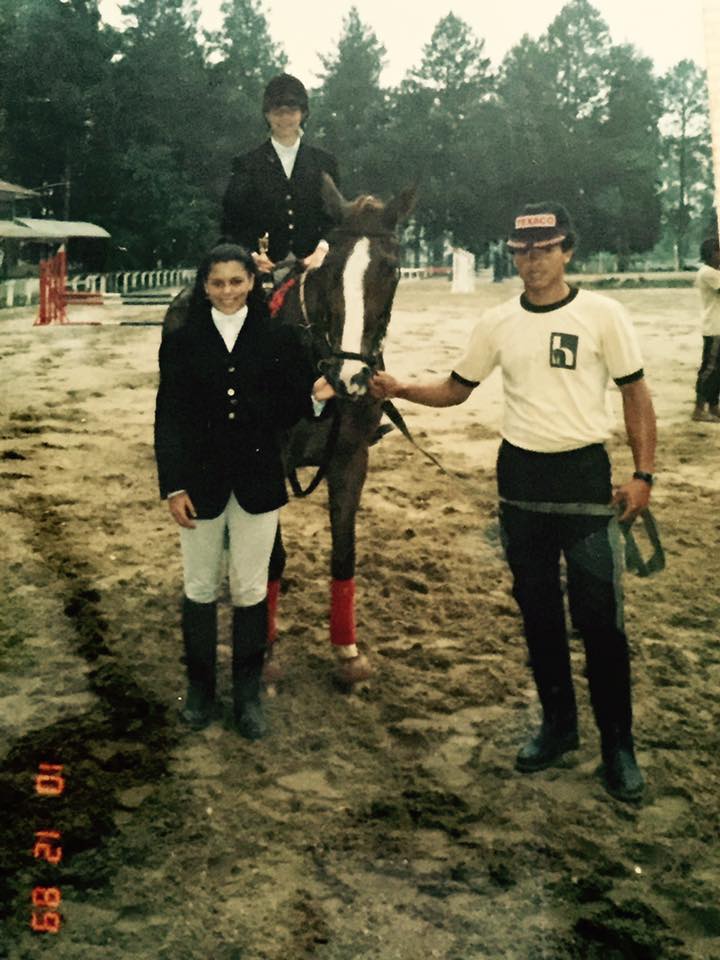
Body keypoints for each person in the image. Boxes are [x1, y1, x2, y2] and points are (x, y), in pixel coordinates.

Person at [369, 202, 657, 803]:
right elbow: (456, 389)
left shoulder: (604, 314)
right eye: (523, 251)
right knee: (539, 615)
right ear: (514, 255)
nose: (533, 261)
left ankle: (618, 747)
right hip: (521, 479)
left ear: (566, 251)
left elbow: (636, 395)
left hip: (585, 477)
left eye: (545, 248)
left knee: (601, 622)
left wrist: (643, 475)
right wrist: (400, 388)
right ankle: (557, 727)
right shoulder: (498, 322)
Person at [154, 243, 332, 740]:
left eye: (237, 281)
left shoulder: (277, 338)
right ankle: (201, 690)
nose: (228, 292)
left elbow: (291, 406)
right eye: (217, 283)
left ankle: (248, 696)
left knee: (252, 590)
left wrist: (318, 399)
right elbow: (169, 417)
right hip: (201, 484)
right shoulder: (182, 341)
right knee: (200, 587)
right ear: (203, 286)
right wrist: (173, 485)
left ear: (252, 283)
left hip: (256, 483)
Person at [221, 73, 339, 276]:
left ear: (303, 114)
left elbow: (335, 218)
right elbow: (232, 223)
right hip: (261, 269)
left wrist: (322, 250)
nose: (285, 118)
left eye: (292, 111)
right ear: (267, 115)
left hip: (315, 267)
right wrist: (251, 255)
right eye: (278, 112)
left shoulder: (325, 162)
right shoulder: (246, 164)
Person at [692, 236, 720, 423]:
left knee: (717, 371)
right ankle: (699, 408)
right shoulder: (708, 272)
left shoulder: (714, 272)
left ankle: (713, 406)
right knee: (709, 370)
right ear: (711, 254)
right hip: (715, 328)